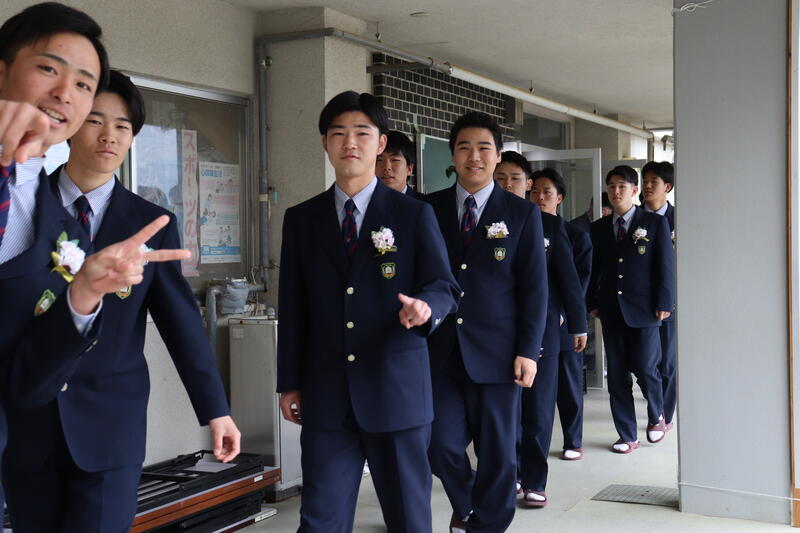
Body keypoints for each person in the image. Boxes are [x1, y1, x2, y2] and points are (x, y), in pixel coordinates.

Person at [0, 3, 189, 522]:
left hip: (92, 427)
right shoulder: (39, 198)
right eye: (48, 68)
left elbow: (26, 373)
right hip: (33, 442)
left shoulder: (46, 214)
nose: (66, 92)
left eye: (83, 83)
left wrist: (82, 296)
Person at [277, 91, 459, 533]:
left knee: (408, 519)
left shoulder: (413, 215)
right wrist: (289, 382)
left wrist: (426, 309)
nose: (350, 143)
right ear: (325, 143)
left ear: (380, 143)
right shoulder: (302, 219)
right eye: (338, 133)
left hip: (396, 390)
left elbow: (444, 287)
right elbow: (293, 305)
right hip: (326, 394)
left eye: (362, 133)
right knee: (319, 520)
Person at [425, 113, 547, 532]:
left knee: (498, 453)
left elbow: (534, 289)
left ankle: (489, 525)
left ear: (497, 156)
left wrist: (528, 351)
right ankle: (468, 503)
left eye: (483, 148)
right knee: (437, 443)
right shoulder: (427, 209)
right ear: (452, 155)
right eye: (464, 147)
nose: (473, 156)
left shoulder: (521, 213)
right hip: (438, 352)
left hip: (499, 354)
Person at [502, 161, 586, 508]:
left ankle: (535, 480)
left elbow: (568, 278)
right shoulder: (485, 222)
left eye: (515, 179)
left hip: (544, 330)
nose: (507, 184)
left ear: (526, 184)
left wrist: (578, 323)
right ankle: (512, 473)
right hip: (498, 332)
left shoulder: (549, 224)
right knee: (506, 413)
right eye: (500, 178)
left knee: (537, 410)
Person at [587, 165, 675, 453]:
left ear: (634, 191)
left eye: (622, 186)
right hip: (612, 311)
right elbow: (594, 269)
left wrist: (665, 302)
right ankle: (627, 435)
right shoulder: (599, 228)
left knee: (647, 368)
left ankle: (657, 414)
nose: (616, 191)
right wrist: (592, 302)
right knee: (617, 375)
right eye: (612, 186)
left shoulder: (654, 223)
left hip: (646, 310)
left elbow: (665, 266)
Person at [641, 160, 676, 430]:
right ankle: (656, 406)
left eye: (654, 181)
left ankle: (665, 414)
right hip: (638, 302)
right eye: (645, 181)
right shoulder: (633, 218)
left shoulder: (680, 218)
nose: (648, 186)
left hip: (669, 301)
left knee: (667, 363)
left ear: (668, 187)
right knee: (644, 364)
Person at [375, 130, 421, 198]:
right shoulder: (364, 202)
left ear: (409, 168)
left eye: (395, 160)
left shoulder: (423, 203)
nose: (387, 167)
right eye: (379, 160)